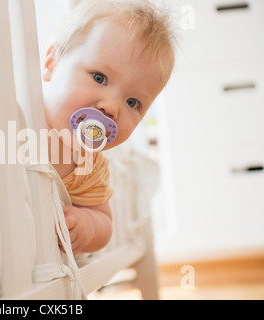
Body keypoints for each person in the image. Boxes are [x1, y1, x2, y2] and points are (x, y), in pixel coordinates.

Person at [41, 0, 175, 254]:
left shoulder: (88, 166)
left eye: (133, 102)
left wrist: (87, 226)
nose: (112, 108)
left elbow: (104, 222)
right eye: (99, 78)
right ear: (52, 63)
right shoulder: (16, 108)